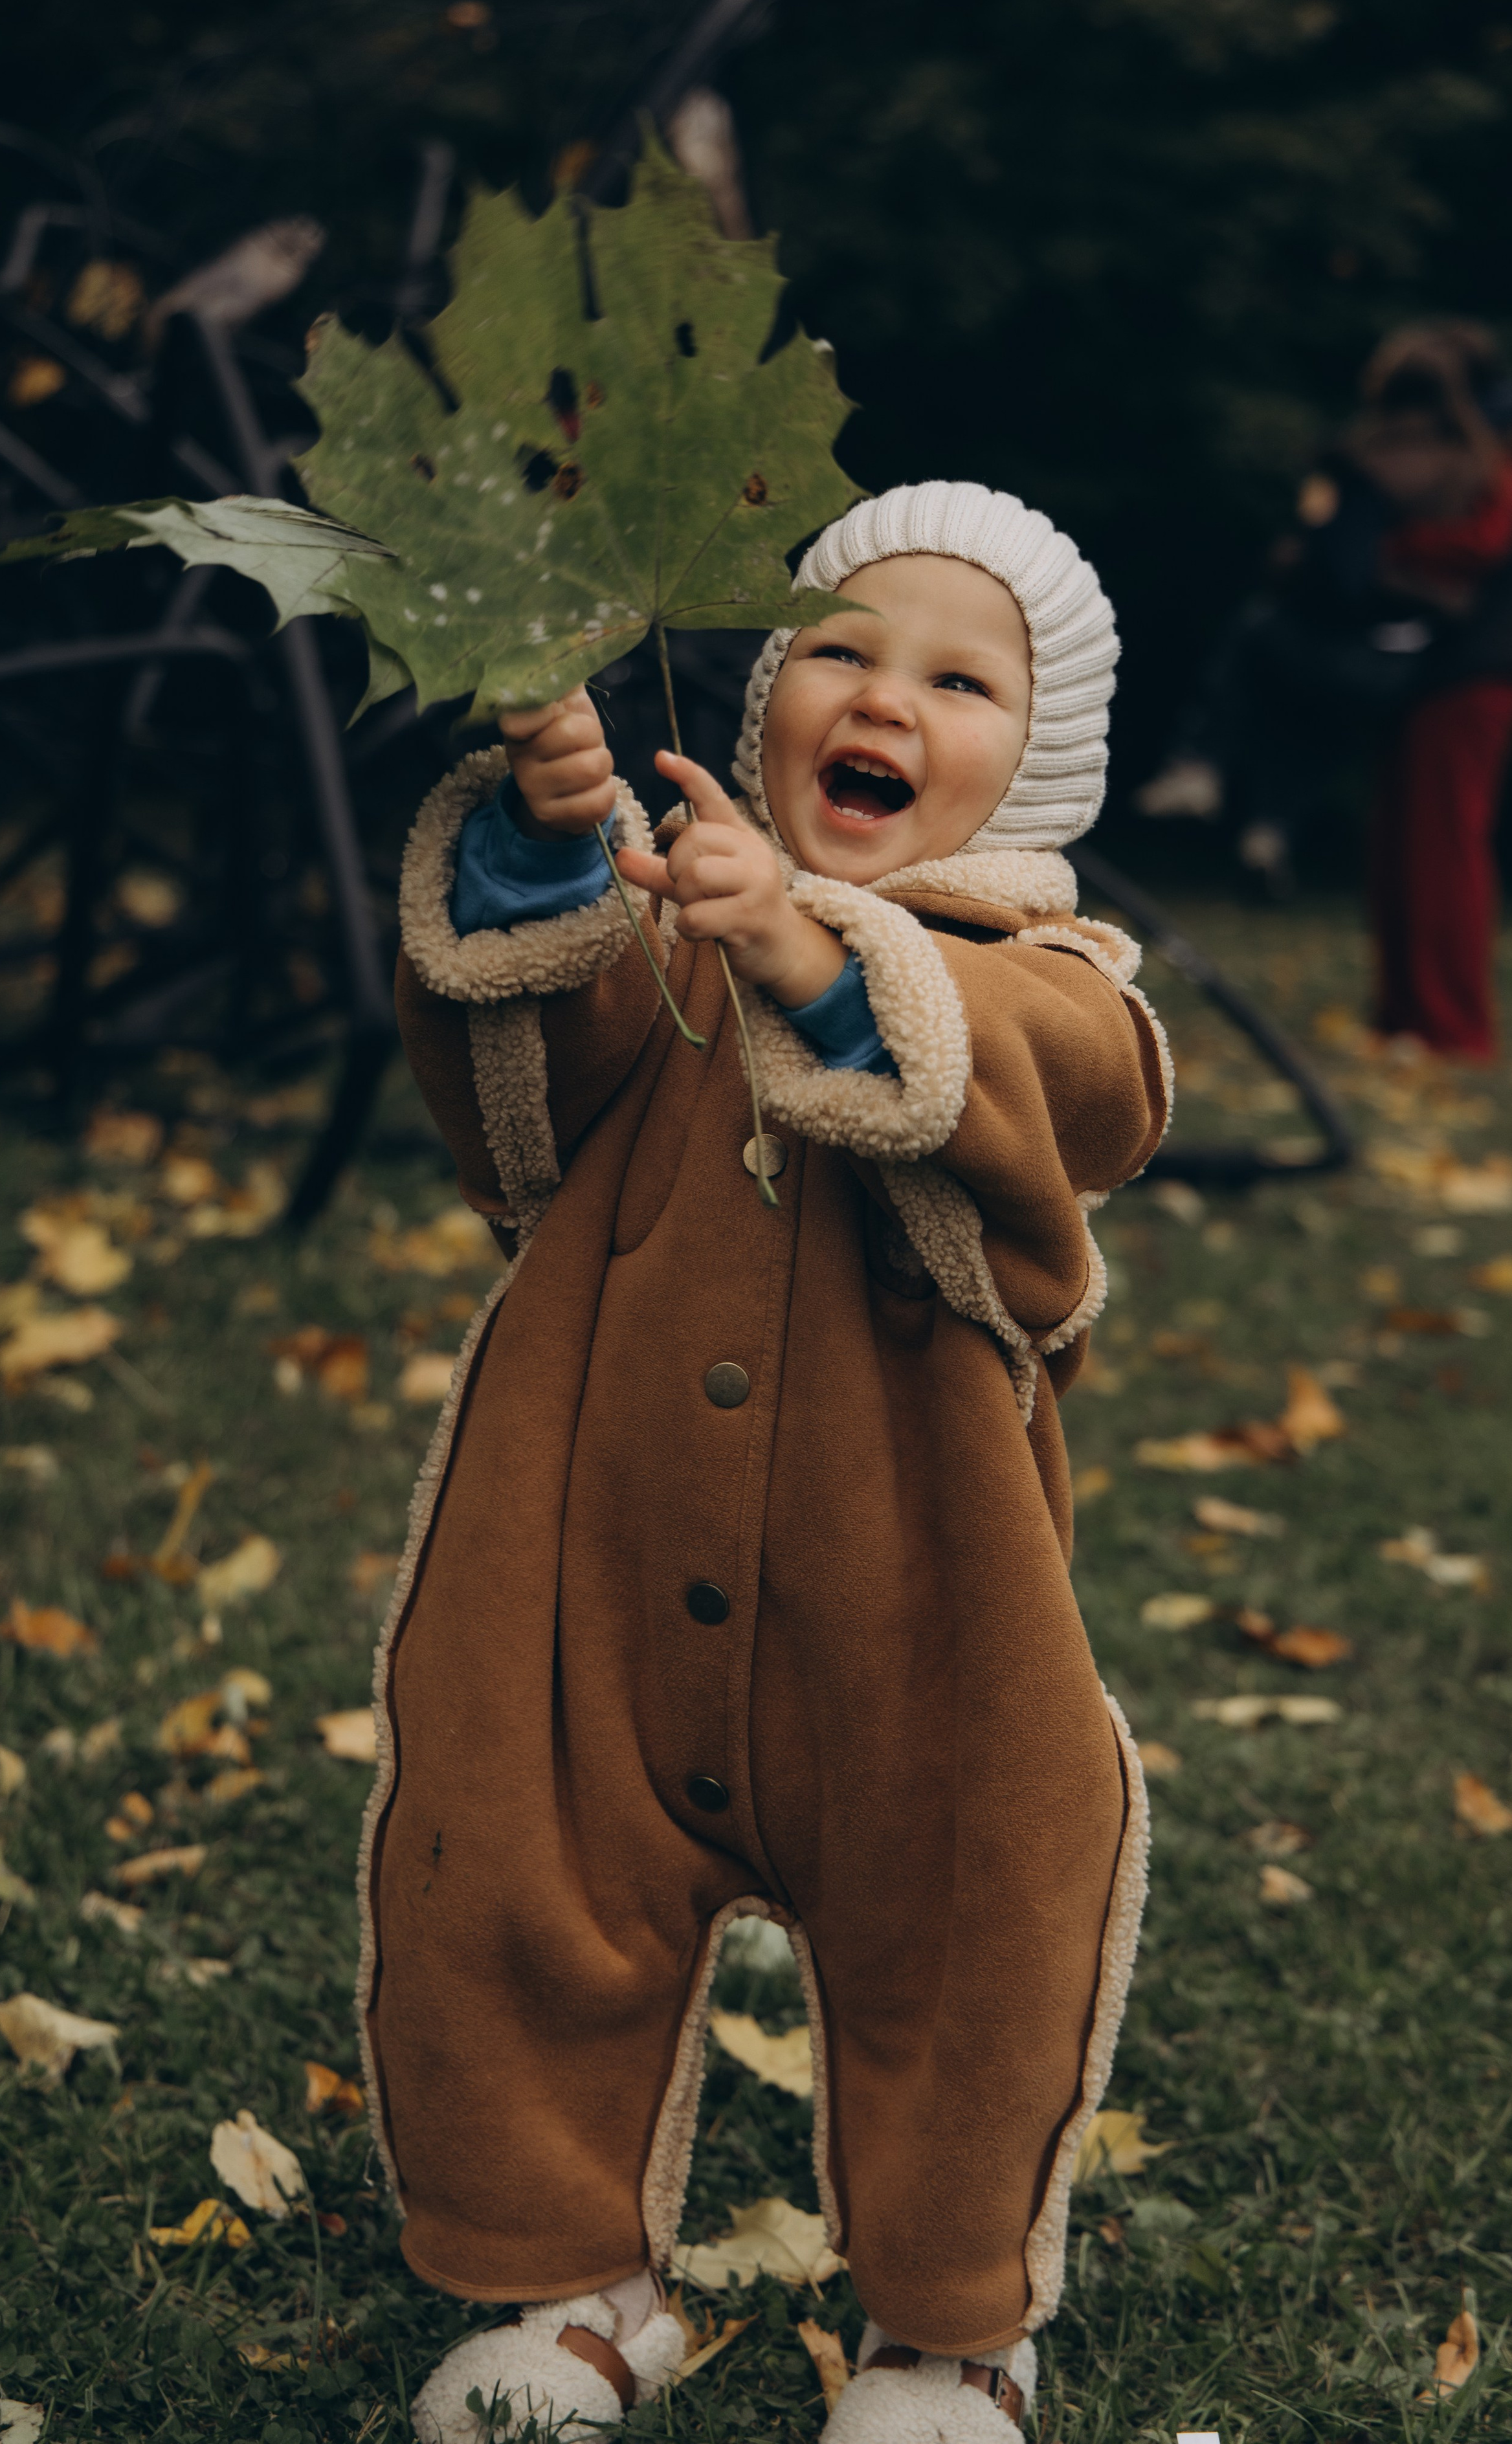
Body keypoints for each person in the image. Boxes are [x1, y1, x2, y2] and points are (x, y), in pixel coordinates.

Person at [360, 482, 1171, 2444]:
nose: (881, 694)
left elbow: (1061, 1092)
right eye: (836, 646)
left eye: (957, 677)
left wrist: (811, 947)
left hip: (915, 1604)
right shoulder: (678, 930)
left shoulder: (1043, 982)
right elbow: (522, 1120)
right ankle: (573, 2284)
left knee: (969, 1917)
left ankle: (948, 2328)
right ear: (761, 695)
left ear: (1032, 754)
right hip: (591, 1559)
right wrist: (561, 859)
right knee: (516, 1873)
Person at [1138, 321, 1512, 1057]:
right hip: (1431, 666)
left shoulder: (1497, 457)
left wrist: (1368, 555)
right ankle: (1402, 1017)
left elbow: (1480, 545)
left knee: (1442, 841)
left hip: (1478, 669)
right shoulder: (1459, 449)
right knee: (1397, 840)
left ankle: (1452, 1028)